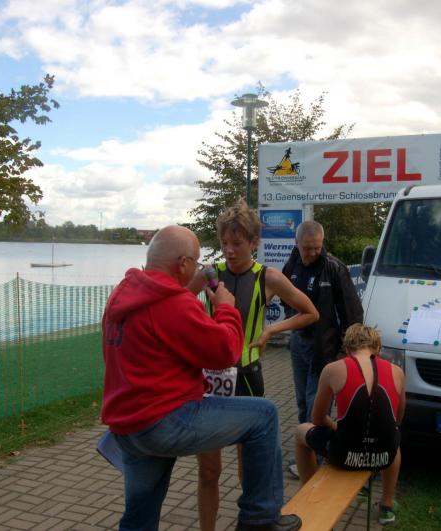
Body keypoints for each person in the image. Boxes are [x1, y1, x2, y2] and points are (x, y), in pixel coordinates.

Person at [101, 225, 301, 531]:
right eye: (195, 262)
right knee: (265, 416)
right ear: (182, 263)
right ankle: (260, 519)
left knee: (138, 518)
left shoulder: (122, 294)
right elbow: (225, 351)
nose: (197, 269)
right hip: (165, 420)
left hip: (128, 427)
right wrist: (226, 309)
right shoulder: (172, 303)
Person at [194, 199, 319, 531]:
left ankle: (250, 524)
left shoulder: (268, 277)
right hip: (209, 379)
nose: (229, 250)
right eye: (224, 243)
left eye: (237, 243)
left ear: (254, 242)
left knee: (248, 467)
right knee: (208, 470)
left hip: (247, 377)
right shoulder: (210, 275)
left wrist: (270, 330)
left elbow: (310, 312)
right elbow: (174, 301)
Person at [295, 324, 405, 525]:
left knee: (300, 431)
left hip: (344, 456)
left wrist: (337, 426)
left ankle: (310, 494)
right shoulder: (397, 372)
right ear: (378, 348)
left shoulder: (332, 369)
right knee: (394, 436)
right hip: (384, 456)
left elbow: (317, 419)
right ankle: (387, 505)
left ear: (347, 349)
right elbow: (397, 420)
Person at [282, 220, 364, 476]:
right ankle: (306, 448)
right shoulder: (291, 264)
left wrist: (344, 350)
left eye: (317, 247)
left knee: (314, 402)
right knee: (301, 401)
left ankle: (316, 458)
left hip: (325, 348)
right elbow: (284, 295)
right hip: (299, 343)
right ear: (297, 244)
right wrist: (291, 321)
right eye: (307, 248)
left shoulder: (333, 268)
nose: (312, 253)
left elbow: (352, 312)